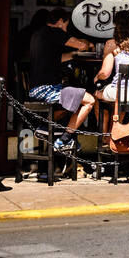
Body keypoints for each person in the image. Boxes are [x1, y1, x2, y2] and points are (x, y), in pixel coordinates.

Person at [27, 9, 94, 158]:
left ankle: (45, 127)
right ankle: (64, 140)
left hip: (35, 89)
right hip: (47, 89)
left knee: (73, 101)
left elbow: (57, 58)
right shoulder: (55, 32)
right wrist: (88, 44)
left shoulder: (38, 34)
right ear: (60, 21)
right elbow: (81, 45)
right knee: (89, 100)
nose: (66, 29)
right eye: (66, 25)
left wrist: (72, 55)